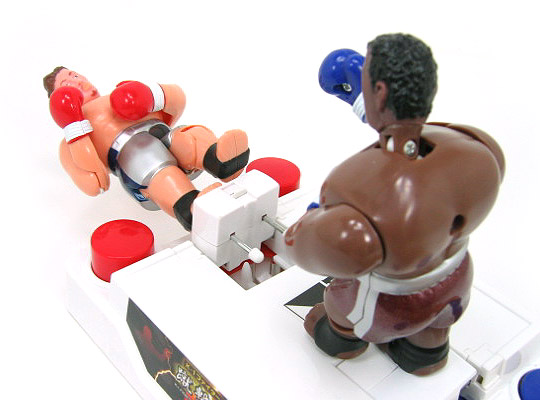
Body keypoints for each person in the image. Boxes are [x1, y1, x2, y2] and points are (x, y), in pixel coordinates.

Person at [285, 34, 505, 375]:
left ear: (380, 92)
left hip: (389, 307)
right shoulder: (475, 147)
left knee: (341, 306)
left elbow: (308, 249)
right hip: (456, 281)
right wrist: (377, 111)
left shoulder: (361, 195)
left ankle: (341, 339)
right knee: (433, 329)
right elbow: (410, 139)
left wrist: (312, 226)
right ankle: (426, 354)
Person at [44, 67, 249, 230]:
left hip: (163, 135)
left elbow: (177, 103)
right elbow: (95, 185)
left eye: (75, 75)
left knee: (187, 136)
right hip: (137, 164)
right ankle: (192, 208)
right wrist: (74, 129)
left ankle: (221, 161)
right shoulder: (68, 144)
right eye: (67, 85)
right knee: (147, 156)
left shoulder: (120, 91)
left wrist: (150, 95)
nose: (78, 82)